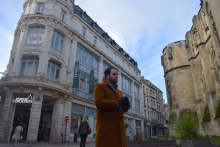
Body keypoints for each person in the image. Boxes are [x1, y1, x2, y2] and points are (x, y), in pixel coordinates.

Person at [93, 67, 130, 147]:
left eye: (117, 74)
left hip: (119, 132)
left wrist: (127, 105)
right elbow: (98, 102)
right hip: (106, 132)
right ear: (107, 76)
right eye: (114, 74)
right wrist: (118, 102)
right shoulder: (100, 86)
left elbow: (122, 109)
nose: (116, 76)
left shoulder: (119, 92)